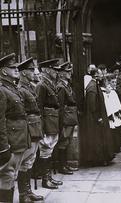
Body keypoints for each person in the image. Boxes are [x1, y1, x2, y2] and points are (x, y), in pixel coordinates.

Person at [0, 53, 30, 202]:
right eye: (13, 67)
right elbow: (0, 120)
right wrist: (4, 147)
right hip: (11, 142)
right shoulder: (2, 90)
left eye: (17, 67)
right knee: (7, 176)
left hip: (18, 139)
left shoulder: (12, 88)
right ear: (4, 71)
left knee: (12, 176)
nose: (17, 69)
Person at [17, 58, 44, 202]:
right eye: (30, 70)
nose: (33, 72)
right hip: (29, 128)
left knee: (30, 160)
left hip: (35, 126)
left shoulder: (31, 87)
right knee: (25, 161)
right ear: (23, 73)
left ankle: (28, 192)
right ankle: (23, 194)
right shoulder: (21, 89)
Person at [36, 59, 63, 189]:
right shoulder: (41, 85)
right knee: (45, 150)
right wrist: (41, 127)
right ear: (46, 70)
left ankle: (49, 177)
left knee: (50, 150)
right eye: (54, 69)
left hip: (52, 121)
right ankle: (45, 179)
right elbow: (39, 108)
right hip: (47, 122)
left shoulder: (50, 84)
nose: (56, 72)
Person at [82, 66, 114, 166]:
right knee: (98, 138)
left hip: (97, 117)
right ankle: (99, 159)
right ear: (96, 75)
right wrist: (98, 117)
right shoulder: (92, 87)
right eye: (100, 74)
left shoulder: (94, 85)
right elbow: (92, 105)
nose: (102, 75)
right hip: (95, 119)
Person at [57, 62, 79, 175]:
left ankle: (65, 164)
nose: (70, 73)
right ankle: (62, 166)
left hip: (70, 117)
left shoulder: (66, 85)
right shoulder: (61, 87)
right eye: (67, 72)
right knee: (63, 142)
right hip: (66, 118)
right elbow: (60, 106)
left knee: (67, 141)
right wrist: (61, 122)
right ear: (61, 74)